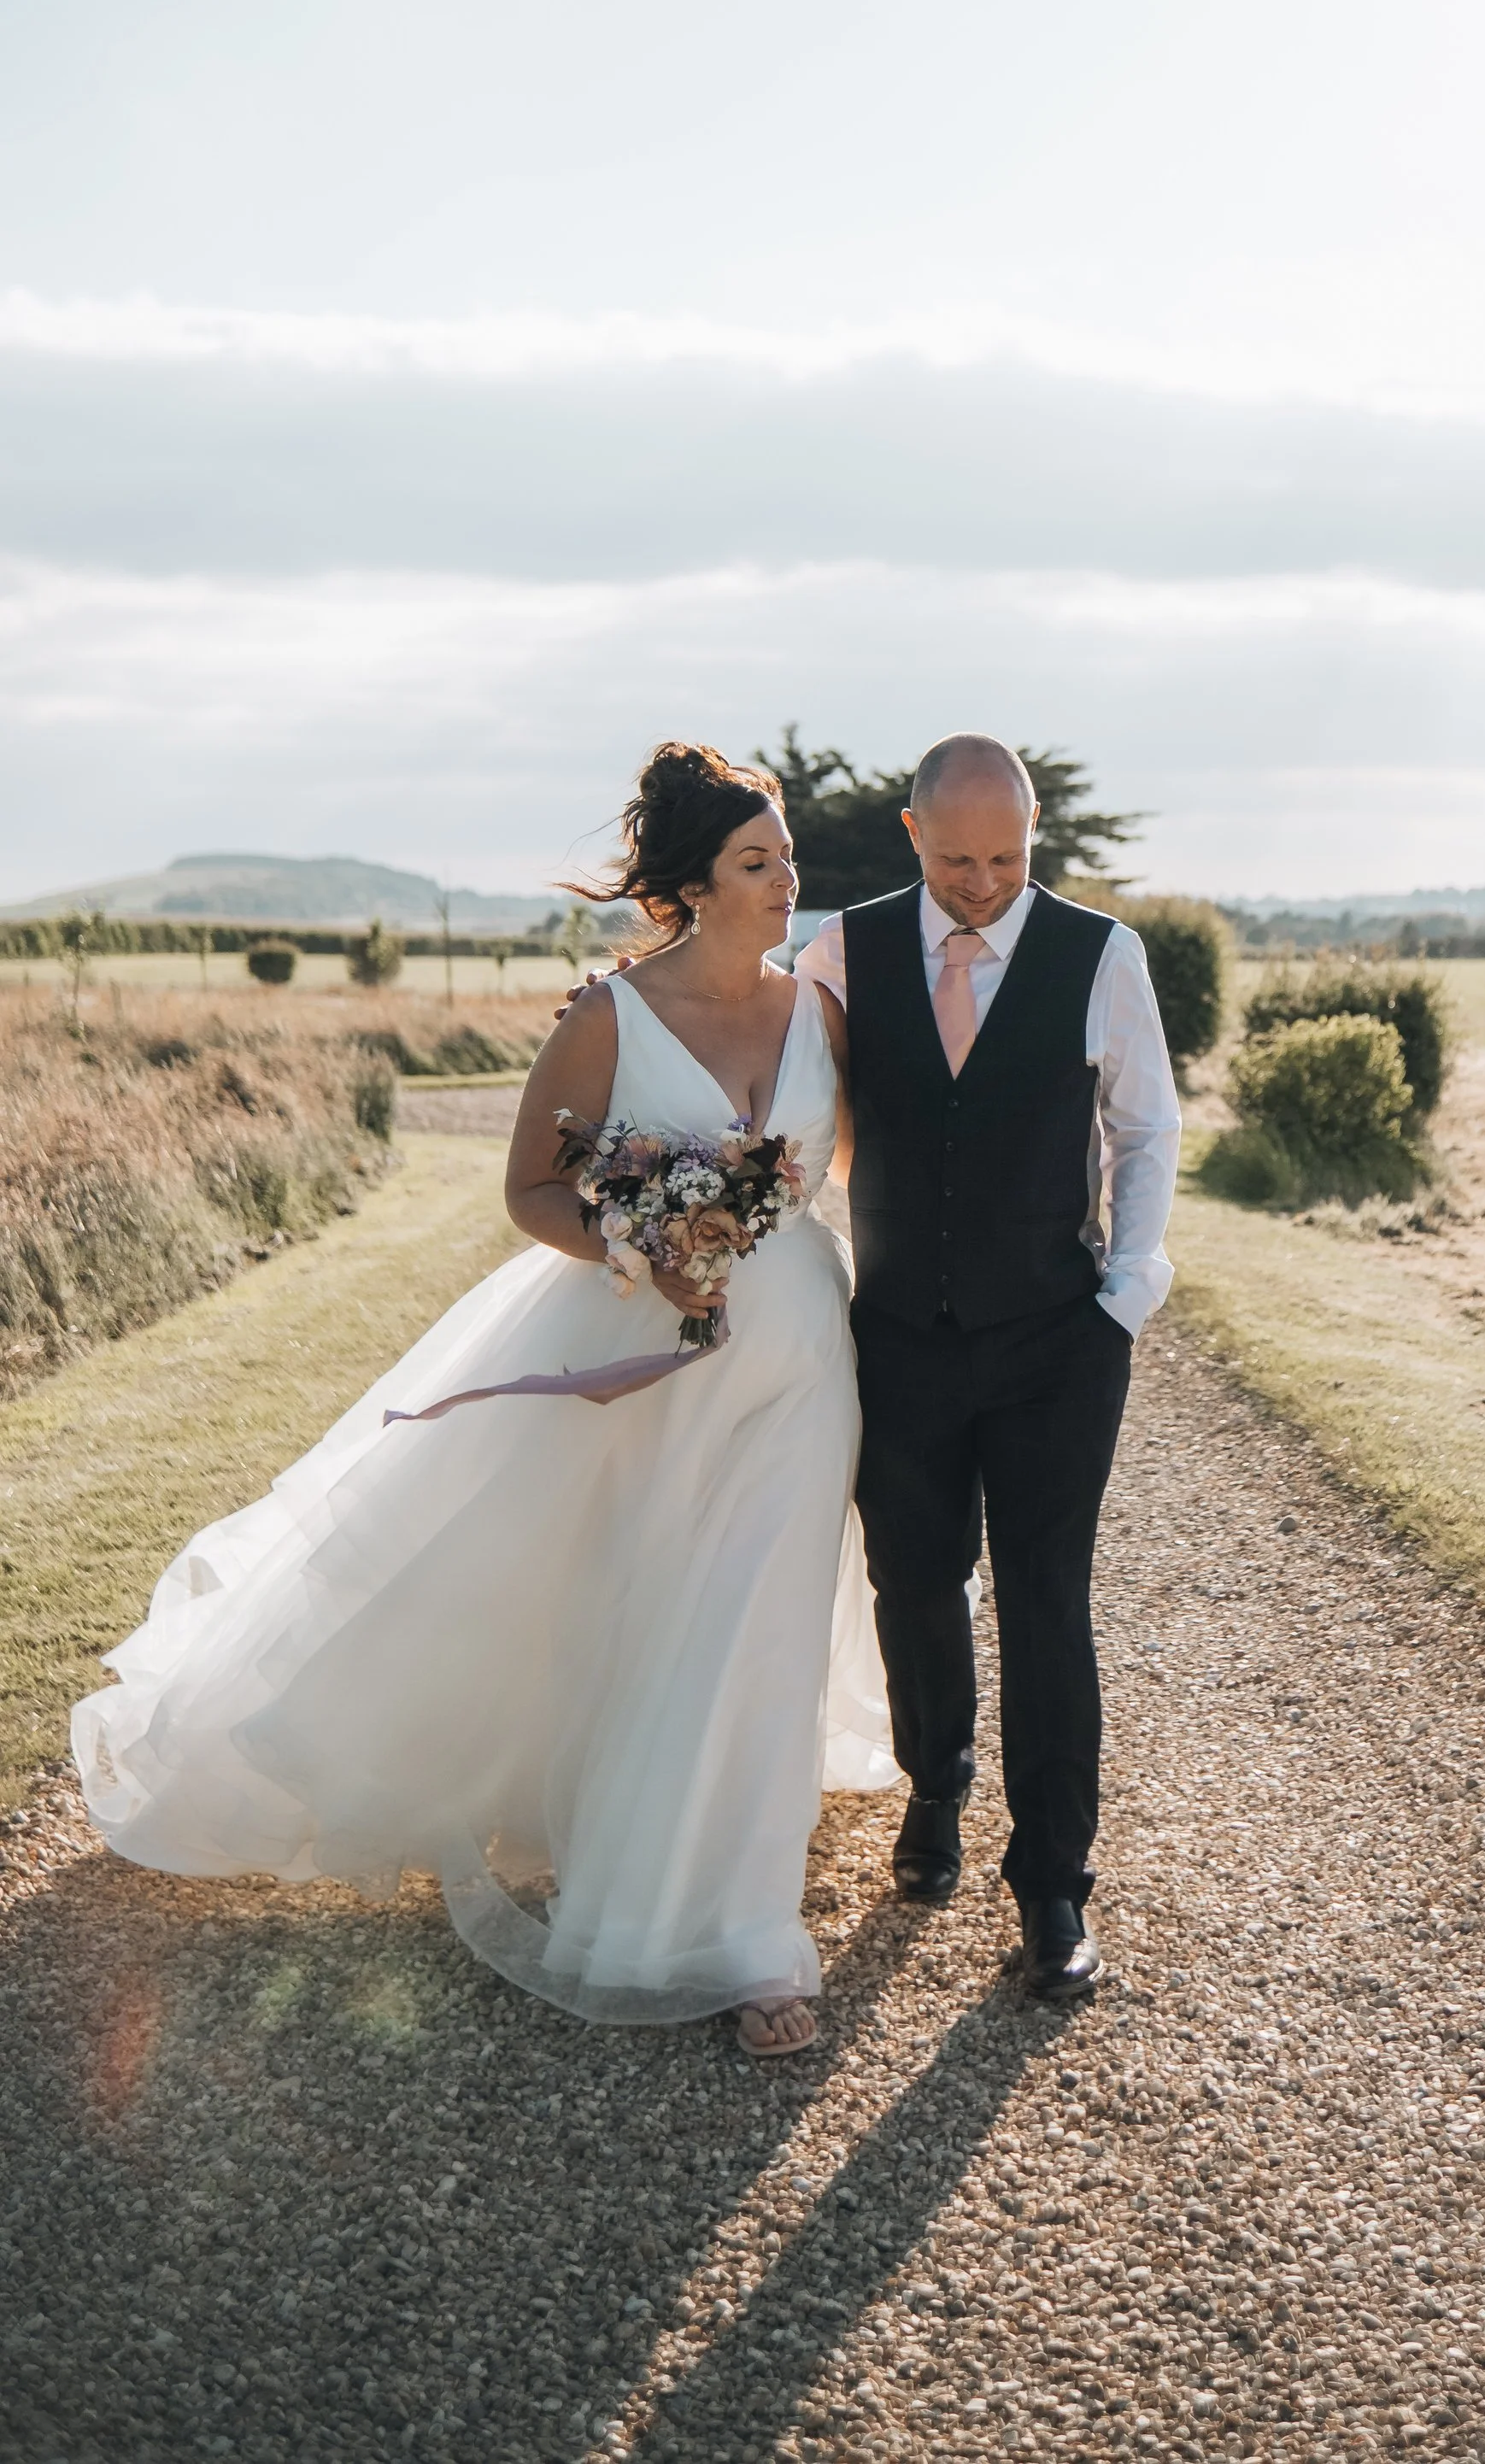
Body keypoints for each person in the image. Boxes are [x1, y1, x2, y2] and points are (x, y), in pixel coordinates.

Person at [71, 744, 894, 2055]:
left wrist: (795, 1241)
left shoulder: (820, 1011)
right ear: (690, 883)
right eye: (758, 860)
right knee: (643, 1601)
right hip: (653, 1357)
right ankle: (609, 1833)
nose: (786, 876)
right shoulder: (607, 1018)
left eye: (787, 854)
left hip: (800, 1355)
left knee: (765, 1618)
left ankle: (746, 1938)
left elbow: (839, 1164)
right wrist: (649, 1240)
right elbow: (531, 1189)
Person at [796, 731, 1181, 2003]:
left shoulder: (1099, 953)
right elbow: (774, 1093)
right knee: (912, 1577)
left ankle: (1055, 1883)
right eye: (958, 859)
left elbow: (1145, 1124)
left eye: (1008, 857)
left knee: (1046, 1598)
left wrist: (1123, 1296)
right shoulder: (842, 950)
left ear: (1033, 838)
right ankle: (937, 1780)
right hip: (899, 1333)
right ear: (913, 835)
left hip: (1057, 1343)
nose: (984, 882)